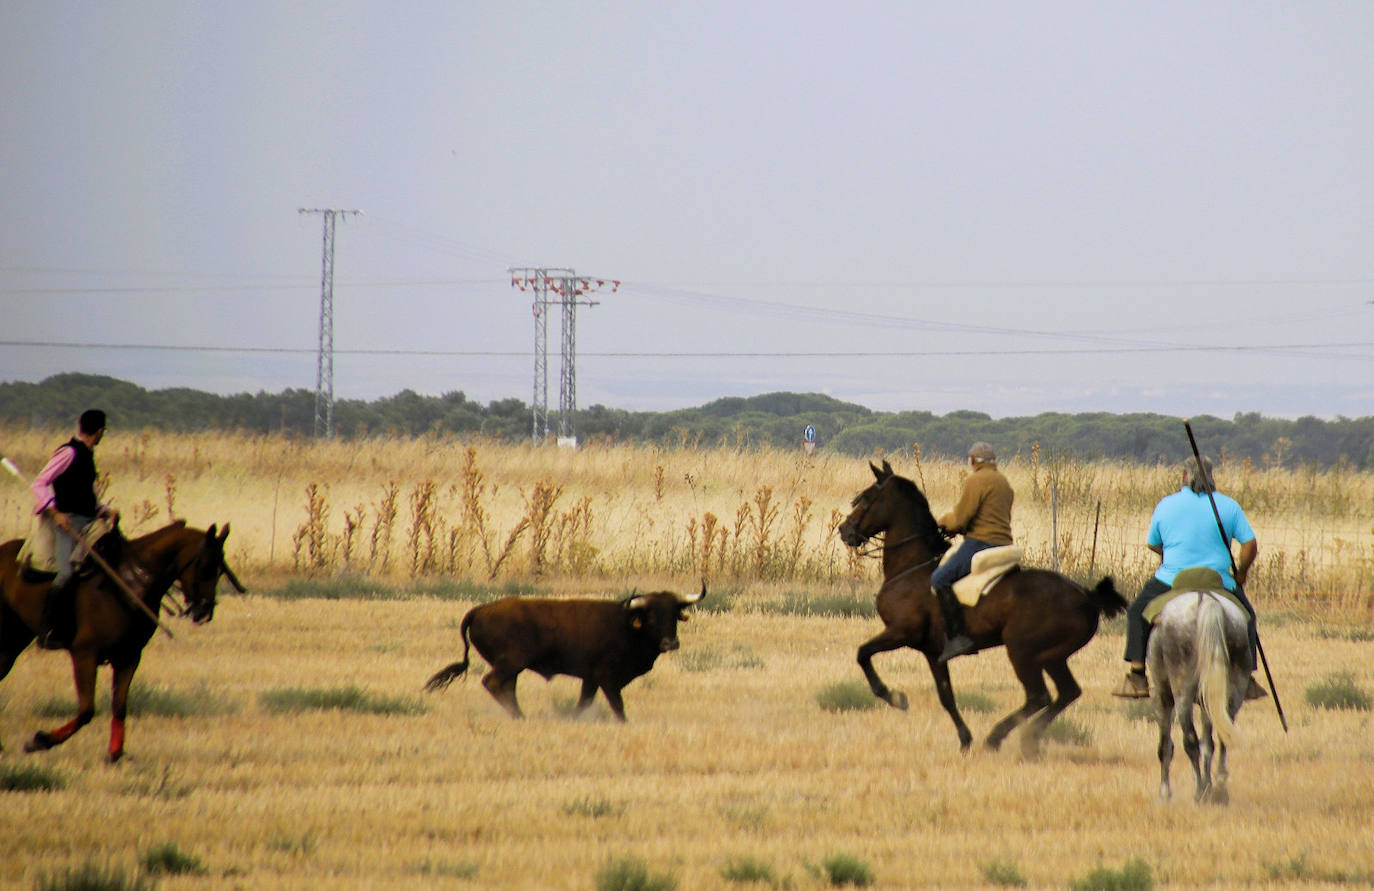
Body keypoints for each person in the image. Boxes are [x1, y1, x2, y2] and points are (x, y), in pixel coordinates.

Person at [1113, 454, 1266, 700]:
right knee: (1247, 616)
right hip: (1219, 581)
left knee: (1137, 612)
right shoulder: (1227, 505)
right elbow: (1250, 544)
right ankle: (1245, 677)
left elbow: (1153, 543)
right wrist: (1241, 573)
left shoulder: (1166, 505)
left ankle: (1138, 675)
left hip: (1172, 580)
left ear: (1184, 477)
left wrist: (1171, 553)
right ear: (1211, 477)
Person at [30, 409, 117, 649]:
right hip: (67, 522)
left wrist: (104, 509)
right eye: (103, 431)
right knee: (66, 574)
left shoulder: (88, 455)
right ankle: (47, 630)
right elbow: (40, 483)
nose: (103, 435)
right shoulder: (68, 452)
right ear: (99, 431)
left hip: (89, 522)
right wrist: (55, 512)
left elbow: (82, 494)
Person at [932, 441, 1014, 663]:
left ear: (973, 461)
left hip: (981, 542)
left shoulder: (975, 480)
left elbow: (961, 518)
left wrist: (943, 522)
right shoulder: (1003, 482)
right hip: (1004, 543)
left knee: (939, 578)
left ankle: (957, 637)